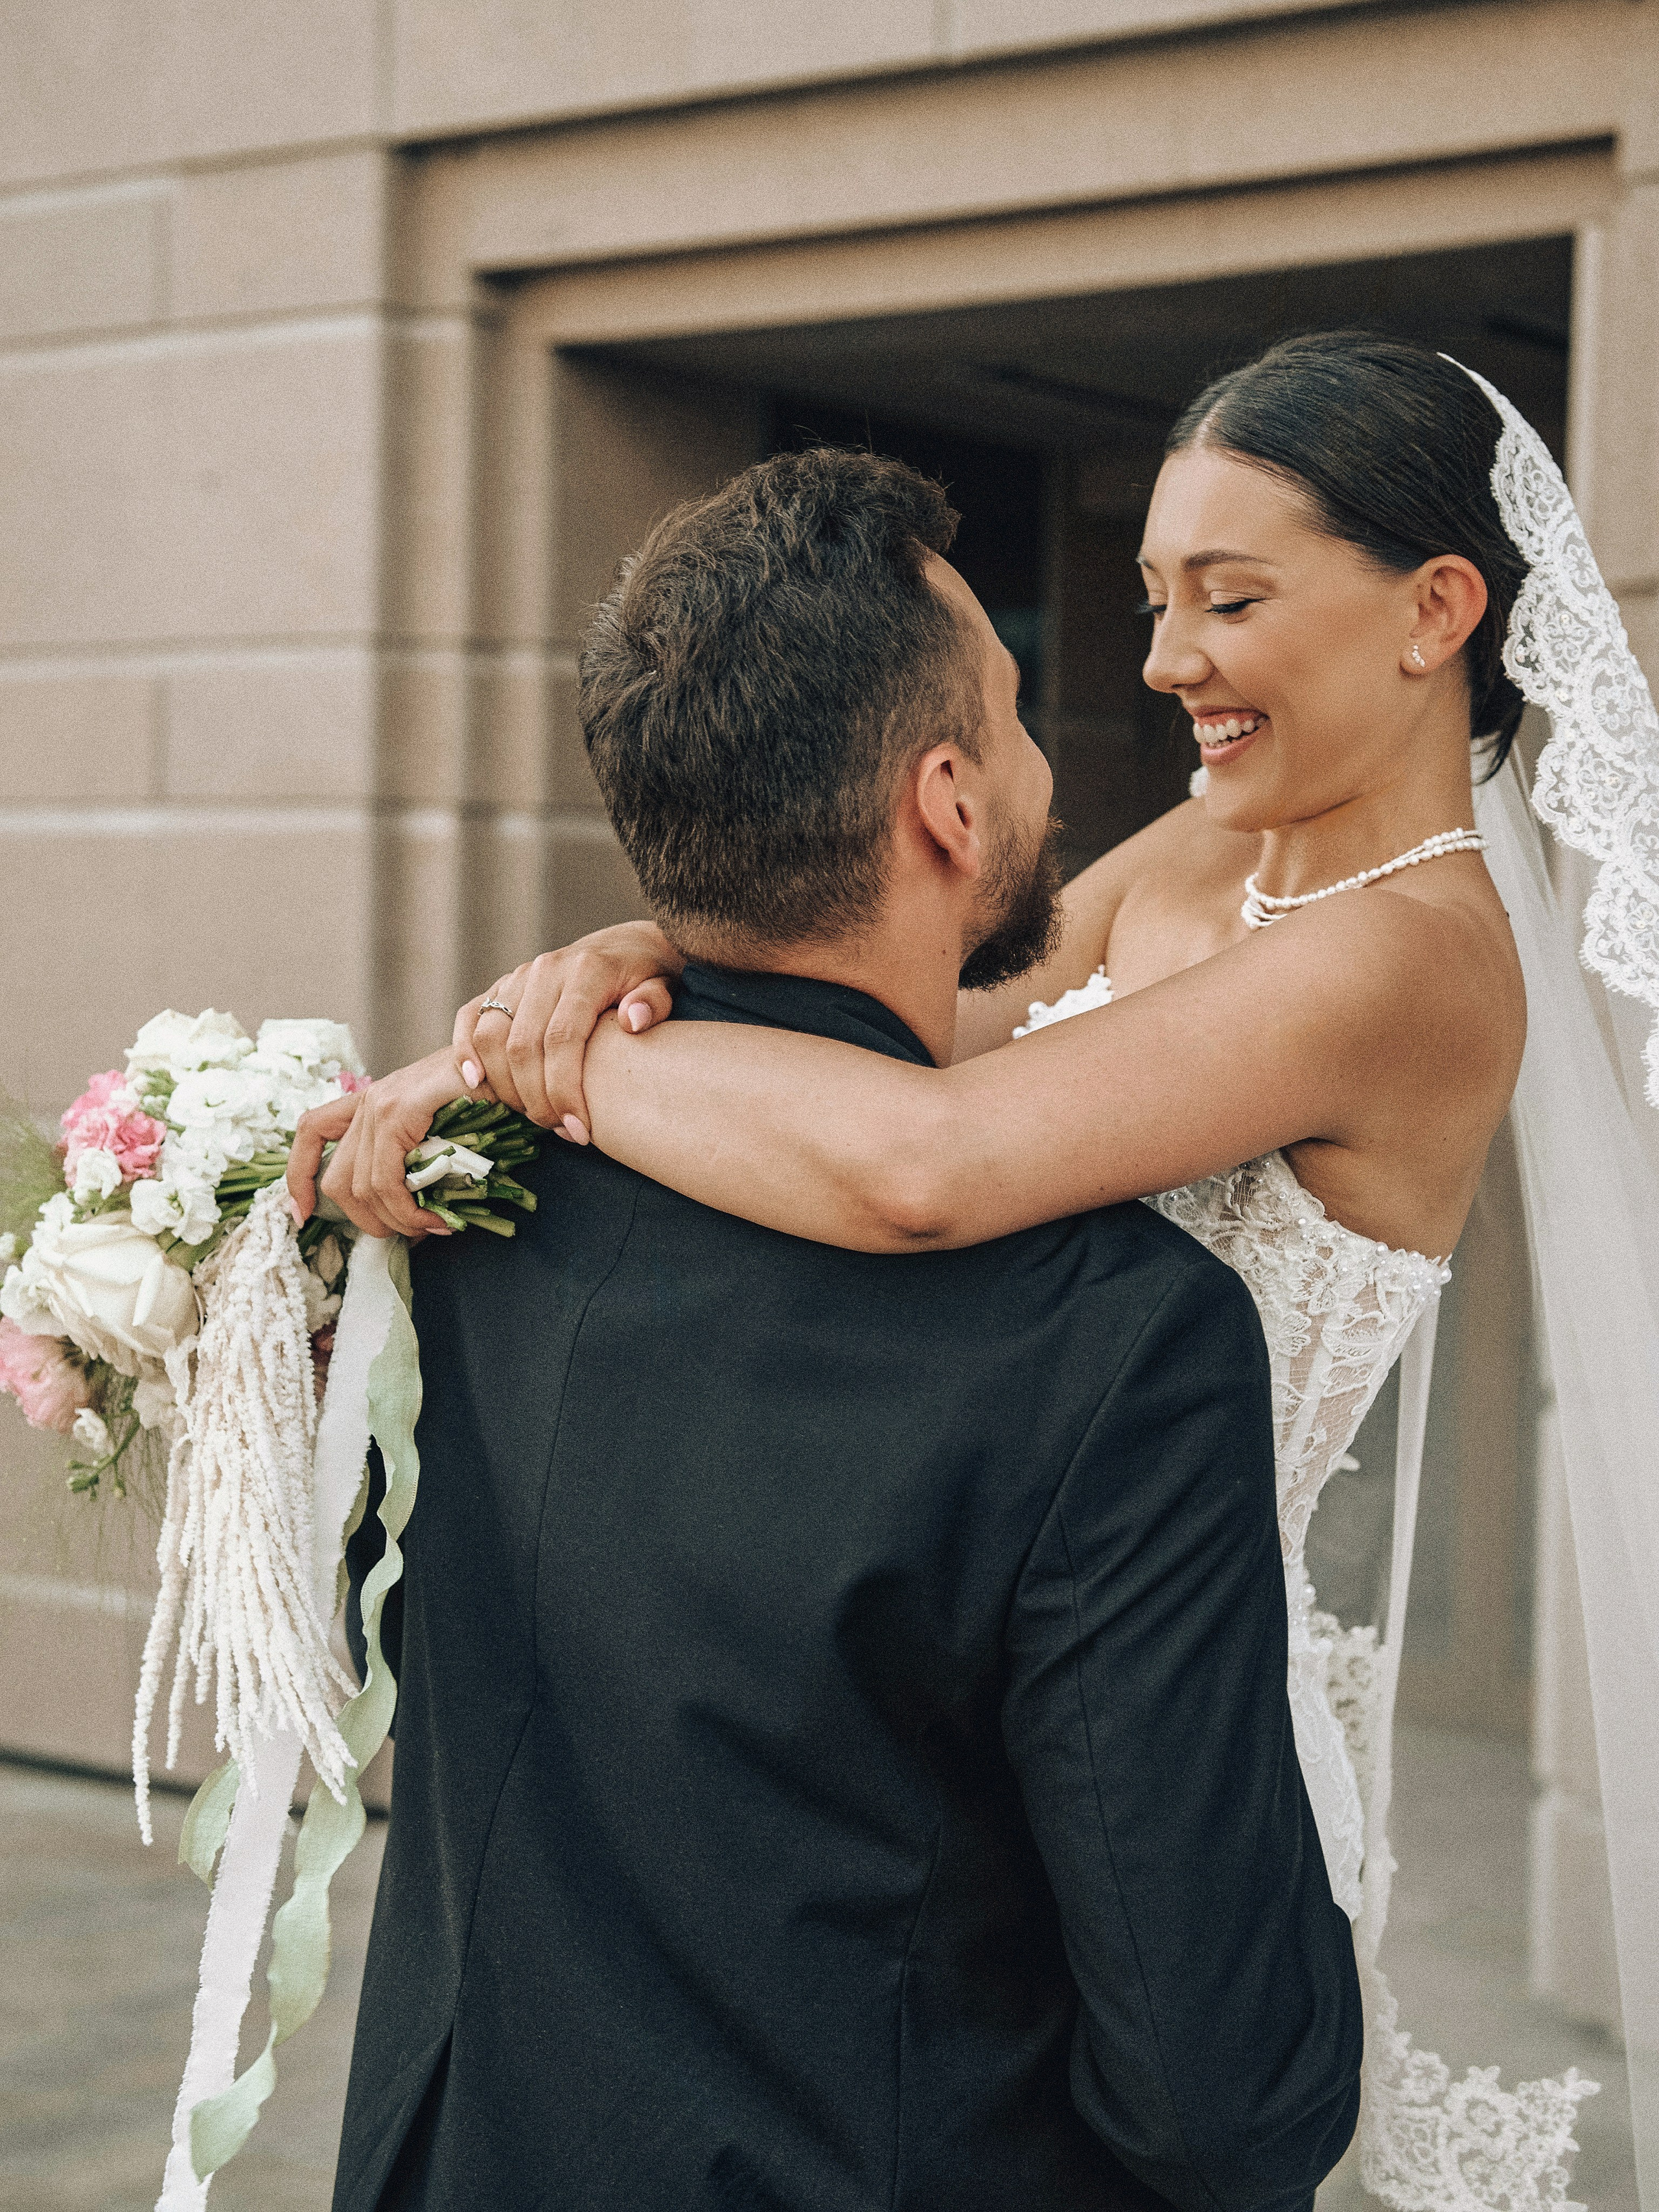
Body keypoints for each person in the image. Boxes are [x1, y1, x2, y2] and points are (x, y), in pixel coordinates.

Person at [301, 331, 1659, 2211]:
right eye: (1155, 597)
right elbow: (934, 1031)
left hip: (1145, 1727)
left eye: (1232, 598)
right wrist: (645, 953)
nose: (1164, 659)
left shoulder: (1416, 955)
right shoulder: (1207, 849)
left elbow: (930, 1165)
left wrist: (561, 1063)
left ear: (1439, 611)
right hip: (961, 1636)